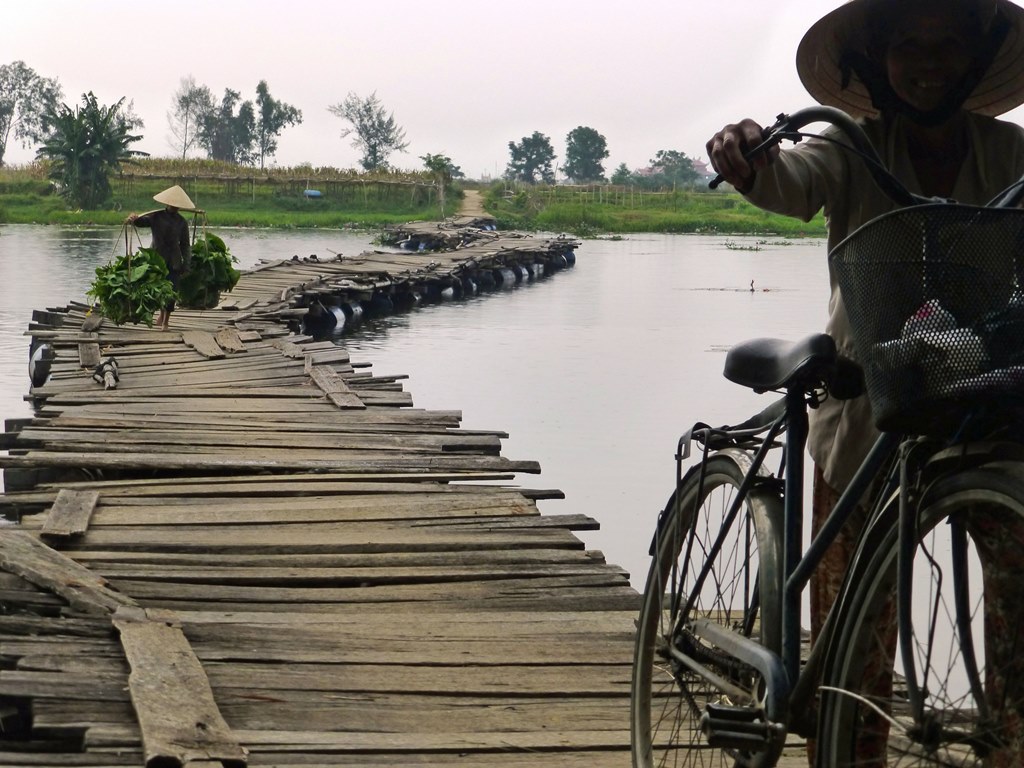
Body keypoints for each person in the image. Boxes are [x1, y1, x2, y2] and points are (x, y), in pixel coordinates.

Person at [708, 0, 1024, 762]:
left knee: (1017, 566)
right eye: (906, 47)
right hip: (870, 409)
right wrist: (750, 154)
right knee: (857, 635)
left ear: (975, 60)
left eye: (945, 45)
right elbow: (791, 178)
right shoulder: (848, 147)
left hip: (979, 403)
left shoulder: (1008, 153)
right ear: (874, 64)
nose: (926, 64)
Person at [126, 185, 196, 331]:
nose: (175, 207)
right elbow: (141, 222)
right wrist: (134, 218)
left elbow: (185, 245)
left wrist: (186, 264)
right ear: (167, 203)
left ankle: (165, 322)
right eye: (173, 204)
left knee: (171, 291)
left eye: (178, 205)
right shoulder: (155, 216)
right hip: (156, 258)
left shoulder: (182, 222)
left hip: (174, 260)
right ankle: (160, 315)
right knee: (159, 290)